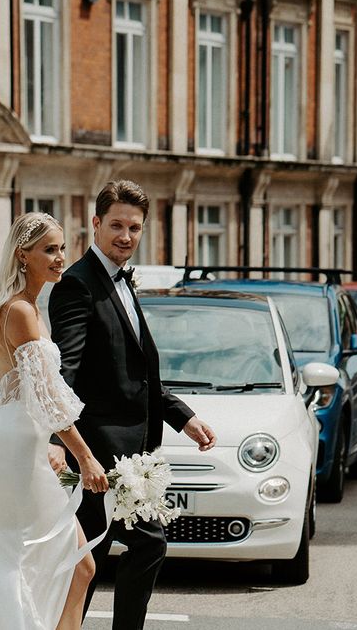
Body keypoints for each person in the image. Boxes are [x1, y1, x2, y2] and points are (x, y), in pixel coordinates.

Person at [47, 180, 217, 630]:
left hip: (133, 449)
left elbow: (136, 372)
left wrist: (184, 417)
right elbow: (66, 370)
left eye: (135, 228)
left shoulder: (123, 281)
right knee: (140, 545)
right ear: (96, 223)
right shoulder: (78, 285)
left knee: (90, 556)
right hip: (102, 449)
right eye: (117, 225)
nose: (126, 236)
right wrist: (60, 442)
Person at [0, 212, 109, 630]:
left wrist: (48, 444)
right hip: (15, 450)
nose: (60, 258)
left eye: (62, 248)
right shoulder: (20, 311)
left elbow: (30, 396)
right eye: (49, 249)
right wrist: (85, 457)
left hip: (21, 443)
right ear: (23, 255)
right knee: (38, 561)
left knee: (76, 565)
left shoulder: (27, 307)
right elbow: (48, 396)